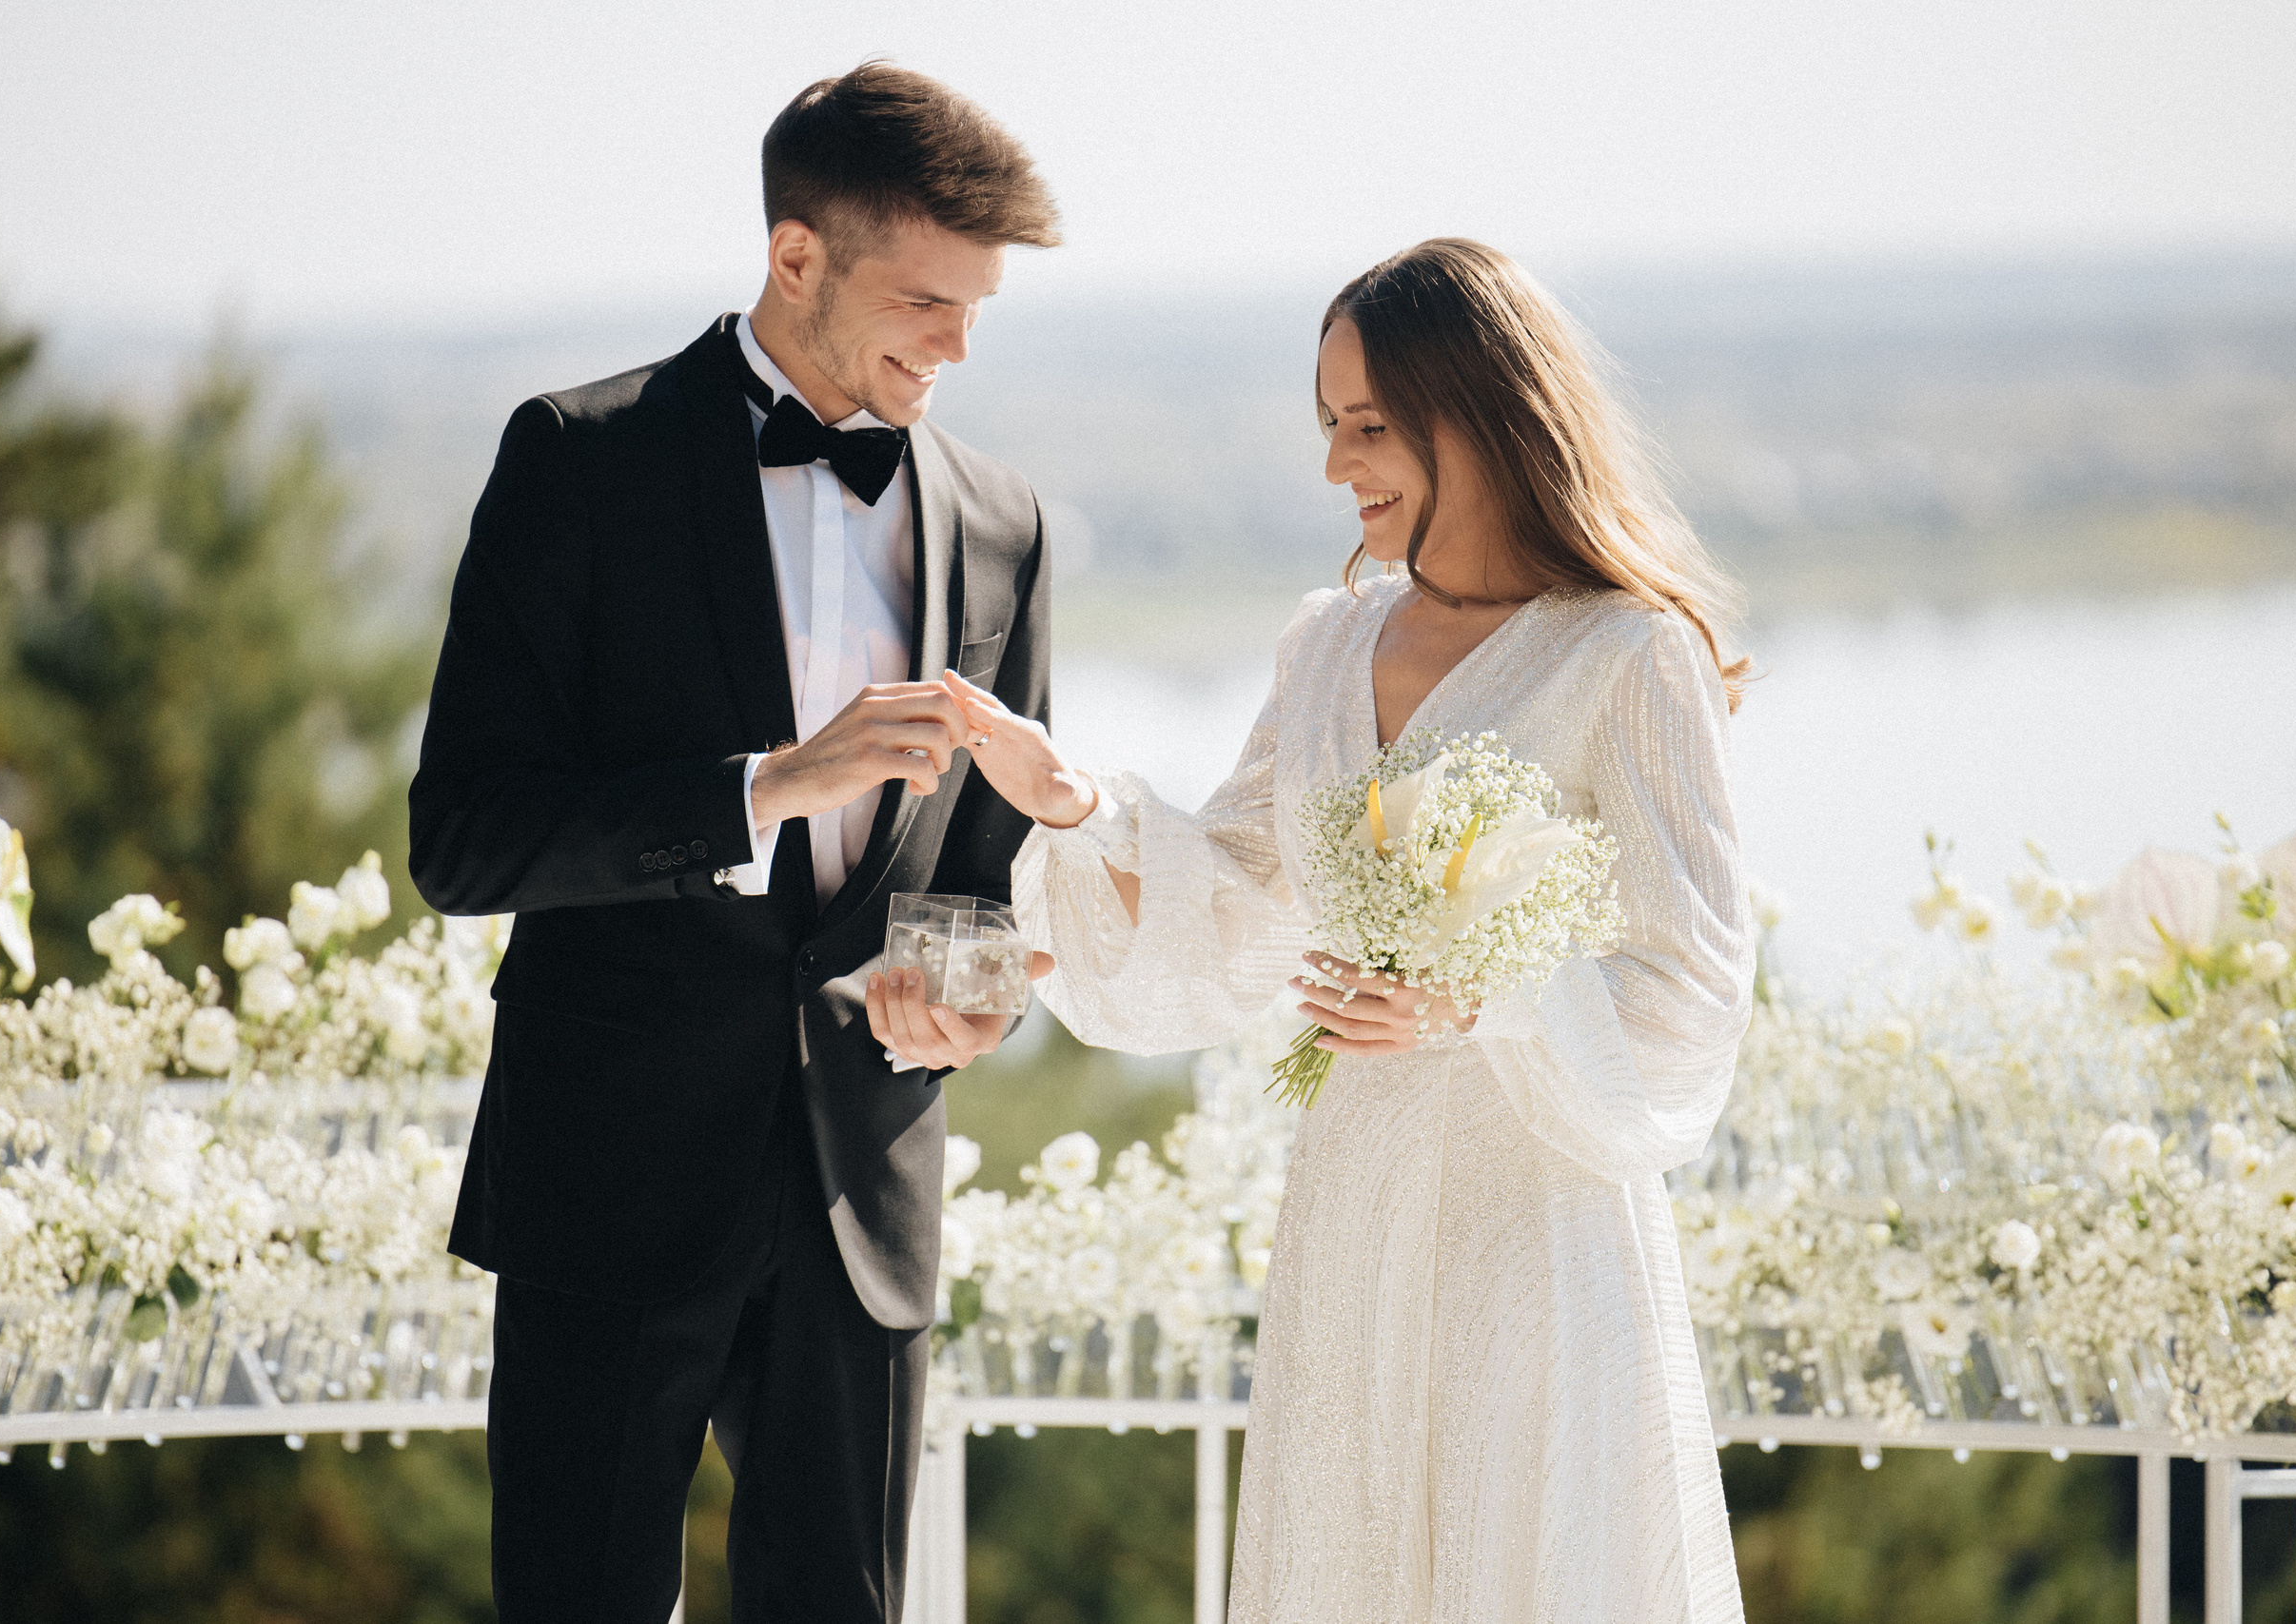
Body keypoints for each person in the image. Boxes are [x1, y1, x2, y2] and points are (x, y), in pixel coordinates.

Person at [945, 238, 1756, 1623]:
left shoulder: (1630, 653)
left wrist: (1479, 1004)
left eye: (1370, 426)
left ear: (1486, 414)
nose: (1338, 467)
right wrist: (1076, 803)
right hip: (1353, 1201)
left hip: (1537, 1219)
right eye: (1330, 426)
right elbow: (1244, 892)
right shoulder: (1327, 644)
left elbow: (1692, 988)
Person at [408, 64, 1061, 1624]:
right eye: (926, 299)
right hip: (610, 1178)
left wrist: (978, 994)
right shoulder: (579, 459)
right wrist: (761, 787)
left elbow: (983, 874)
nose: (957, 345)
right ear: (794, 258)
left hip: (867, 1192)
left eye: (980, 309)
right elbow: (462, 842)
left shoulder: (1004, 523)